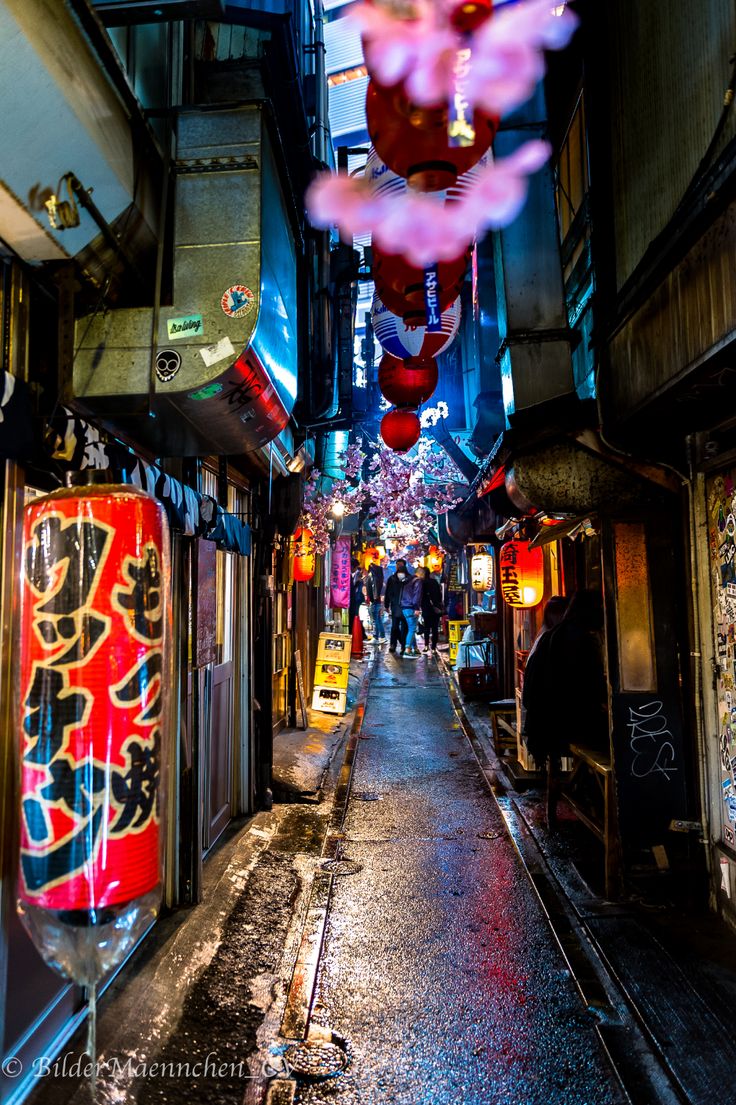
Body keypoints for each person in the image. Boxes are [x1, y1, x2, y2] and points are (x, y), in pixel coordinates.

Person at [528, 590, 607, 829]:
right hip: (564, 727)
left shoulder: (554, 635)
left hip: (545, 725)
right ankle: (602, 808)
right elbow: (592, 689)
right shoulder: (580, 639)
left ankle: (585, 794)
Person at [384, 558, 409, 654]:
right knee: (394, 627)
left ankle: (403, 646)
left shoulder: (409, 579)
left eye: (400, 565)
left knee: (405, 627)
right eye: (397, 564)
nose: (398, 566)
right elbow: (388, 592)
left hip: (406, 606)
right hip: (395, 606)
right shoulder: (392, 578)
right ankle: (393, 644)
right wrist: (387, 604)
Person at [399, 565, 423, 657]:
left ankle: (415, 648)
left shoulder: (407, 581)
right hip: (411, 607)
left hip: (404, 607)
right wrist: (417, 608)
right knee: (412, 629)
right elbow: (417, 595)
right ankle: (407, 650)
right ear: (421, 574)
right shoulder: (418, 581)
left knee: (411, 628)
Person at [418, 566, 443, 651]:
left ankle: (426, 645)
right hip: (435, 607)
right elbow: (439, 595)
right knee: (435, 627)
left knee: (427, 627)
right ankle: (434, 646)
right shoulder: (434, 582)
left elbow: (420, 596)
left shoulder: (421, 583)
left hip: (426, 607)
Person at [364, 559, 385, 643]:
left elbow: (373, 589)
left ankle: (375, 637)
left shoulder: (372, 577)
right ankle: (382, 636)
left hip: (374, 601)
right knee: (378, 619)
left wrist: (373, 599)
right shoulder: (379, 577)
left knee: (375, 620)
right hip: (377, 601)